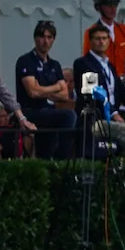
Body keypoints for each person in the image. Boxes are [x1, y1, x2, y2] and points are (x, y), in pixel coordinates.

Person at [73, 23, 125, 154]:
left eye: (104, 38)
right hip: (95, 117)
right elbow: (93, 93)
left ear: (108, 41)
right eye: (97, 38)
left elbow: (124, 93)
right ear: (90, 41)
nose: (101, 42)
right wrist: (113, 114)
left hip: (114, 117)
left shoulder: (110, 66)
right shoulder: (83, 64)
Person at [16, 20, 77, 160]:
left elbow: (64, 94)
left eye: (50, 37)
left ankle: (55, 162)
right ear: (36, 38)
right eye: (42, 37)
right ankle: (62, 159)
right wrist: (55, 88)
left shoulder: (54, 65)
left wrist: (43, 89)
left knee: (69, 118)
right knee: (68, 116)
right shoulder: (26, 60)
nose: (46, 41)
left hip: (49, 110)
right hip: (30, 110)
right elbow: (32, 92)